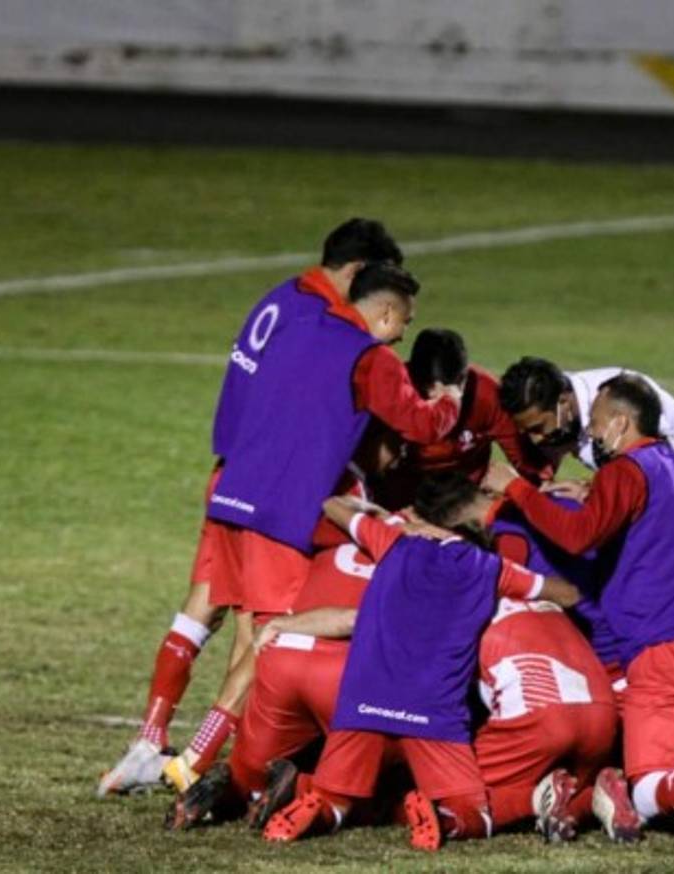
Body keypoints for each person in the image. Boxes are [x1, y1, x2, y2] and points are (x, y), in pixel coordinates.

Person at [98, 218, 408, 797]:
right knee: (260, 630)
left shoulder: (280, 300)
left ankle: (149, 739)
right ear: (359, 275)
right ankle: (191, 763)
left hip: (231, 474)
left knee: (202, 609)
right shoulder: (323, 326)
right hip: (271, 489)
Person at [162, 261, 463, 791]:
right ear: (388, 312)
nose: (402, 333)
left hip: (232, 494)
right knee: (275, 637)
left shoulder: (300, 329)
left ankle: (201, 744)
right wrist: (449, 404)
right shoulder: (372, 359)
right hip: (284, 510)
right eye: (404, 322)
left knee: (251, 627)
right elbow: (419, 423)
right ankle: (194, 760)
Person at [484, 374, 674, 852]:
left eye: (594, 423)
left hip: (667, 658)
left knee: (651, 788)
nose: (587, 434)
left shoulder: (626, 472)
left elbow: (577, 537)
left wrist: (518, 491)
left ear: (620, 423)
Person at [262, 494, 584, 851]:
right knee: (473, 811)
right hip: (433, 712)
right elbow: (568, 594)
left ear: (431, 525)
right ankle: (442, 817)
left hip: (363, 705)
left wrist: (379, 513)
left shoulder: (393, 543)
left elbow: (333, 507)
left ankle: (316, 806)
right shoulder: (490, 568)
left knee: (337, 799)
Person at [165, 423, 405, 830]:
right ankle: (299, 787)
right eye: (396, 442)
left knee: (251, 635)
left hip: (239, 498)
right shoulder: (413, 550)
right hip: (339, 676)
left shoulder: (339, 512)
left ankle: (213, 768)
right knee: (384, 779)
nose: (401, 455)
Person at [413, 473, 617, 842]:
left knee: (452, 792)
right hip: (606, 687)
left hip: (547, 709)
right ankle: (595, 793)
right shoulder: (557, 511)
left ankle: (549, 800)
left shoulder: (483, 579)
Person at [498, 357, 674, 531]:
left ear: (564, 403)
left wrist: (593, 494)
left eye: (539, 428)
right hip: (655, 495)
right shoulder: (561, 408)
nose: (536, 439)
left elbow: (659, 474)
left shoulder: (620, 401)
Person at [371, 328, 549, 508]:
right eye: (430, 389)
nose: (443, 400)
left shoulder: (488, 394)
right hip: (400, 505)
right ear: (414, 376)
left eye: (452, 389)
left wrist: (540, 489)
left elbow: (527, 463)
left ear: (464, 377)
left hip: (463, 503)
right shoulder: (393, 390)